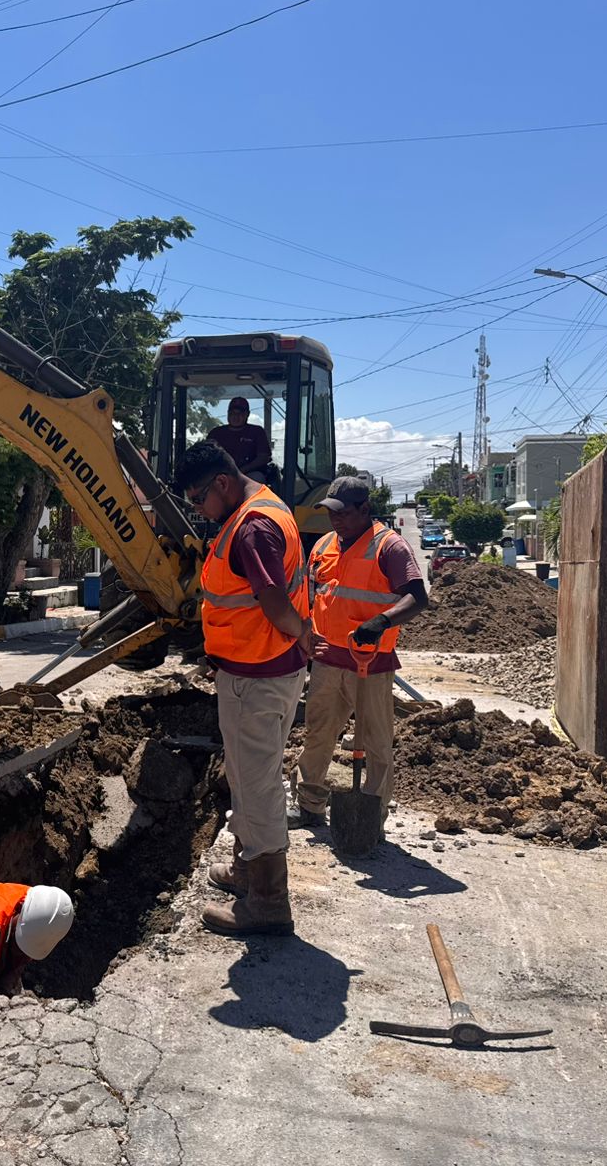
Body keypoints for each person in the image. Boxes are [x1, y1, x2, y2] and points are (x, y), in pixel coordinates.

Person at [176, 440, 311, 936]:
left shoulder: (252, 528)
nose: (197, 509)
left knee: (258, 785)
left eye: (197, 498)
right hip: (253, 669)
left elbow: (274, 601)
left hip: (260, 674)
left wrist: (303, 633)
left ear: (223, 484)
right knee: (245, 774)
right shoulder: (260, 509)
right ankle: (247, 868)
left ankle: (269, 900)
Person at [291, 476, 430, 833]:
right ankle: (309, 804)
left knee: (377, 742)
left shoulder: (389, 546)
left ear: (364, 509)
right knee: (318, 733)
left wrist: (381, 621)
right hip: (326, 659)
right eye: (330, 512)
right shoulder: (323, 545)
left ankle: (373, 816)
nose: (335, 519)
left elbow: (417, 596)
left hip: (369, 661)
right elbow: (313, 596)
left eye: (343, 513)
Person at [204, 397, 273, 481]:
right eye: (232, 413)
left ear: (247, 414)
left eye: (240, 413)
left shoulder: (257, 431)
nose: (235, 416)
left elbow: (263, 457)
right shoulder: (216, 433)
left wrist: (242, 470)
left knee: (258, 478)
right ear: (228, 414)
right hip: (221, 474)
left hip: (249, 474)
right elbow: (206, 457)